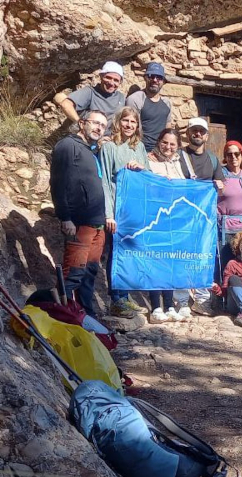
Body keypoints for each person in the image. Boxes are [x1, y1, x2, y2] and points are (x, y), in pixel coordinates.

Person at [50, 110, 108, 316]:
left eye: (103, 125)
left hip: (96, 224)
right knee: (73, 274)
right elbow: (58, 183)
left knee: (89, 274)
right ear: (82, 123)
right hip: (79, 222)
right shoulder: (68, 146)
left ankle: (85, 317)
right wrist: (65, 217)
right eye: (95, 123)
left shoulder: (90, 151)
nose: (99, 128)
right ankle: (56, 315)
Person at [99, 106, 149, 318]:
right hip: (117, 211)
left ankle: (126, 296)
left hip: (134, 210)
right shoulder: (110, 147)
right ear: (118, 122)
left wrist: (141, 167)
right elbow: (104, 182)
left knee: (129, 254)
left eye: (133, 122)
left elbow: (148, 177)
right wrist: (108, 214)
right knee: (116, 254)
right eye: (125, 121)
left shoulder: (140, 147)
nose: (129, 125)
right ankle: (117, 299)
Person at [177, 117, 225, 316]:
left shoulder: (213, 159)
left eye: (201, 131)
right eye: (194, 131)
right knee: (179, 255)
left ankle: (202, 299)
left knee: (203, 256)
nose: (198, 134)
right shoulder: (178, 156)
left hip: (204, 219)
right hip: (180, 216)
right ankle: (180, 300)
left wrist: (219, 186)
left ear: (206, 135)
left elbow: (220, 185)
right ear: (188, 133)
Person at [146, 128, 187, 323]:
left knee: (170, 262)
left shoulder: (178, 163)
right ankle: (155, 306)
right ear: (158, 141)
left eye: (172, 144)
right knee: (156, 262)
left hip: (174, 220)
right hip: (155, 219)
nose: (168, 147)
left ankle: (170, 304)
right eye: (165, 142)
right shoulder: (149, 161)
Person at [218, 141, 242, 275]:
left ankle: (241, 294)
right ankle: (222, 295)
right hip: (225, 229)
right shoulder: (219, 175)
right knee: (225, 264)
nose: (233, 157)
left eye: (237, 154)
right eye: (229, 154)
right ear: (225, 157)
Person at [55, 62, 125, 133]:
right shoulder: (90, 92)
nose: (111, 83)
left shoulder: (121, 98)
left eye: (116, 80)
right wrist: (80, 123)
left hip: (105, 140)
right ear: (101, 76)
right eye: (108, 78)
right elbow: (65, 104)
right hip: (84, 137)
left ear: (120, 82)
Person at [125, 62, 173, 152]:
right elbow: (132, 129)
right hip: (140, 150)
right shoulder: (136, 99)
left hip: (161, 151)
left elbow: (168, 127)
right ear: (145, 78)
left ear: (163, 81)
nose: (155, 80)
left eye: (159, 77)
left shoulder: (167, 103)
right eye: (151, 76)